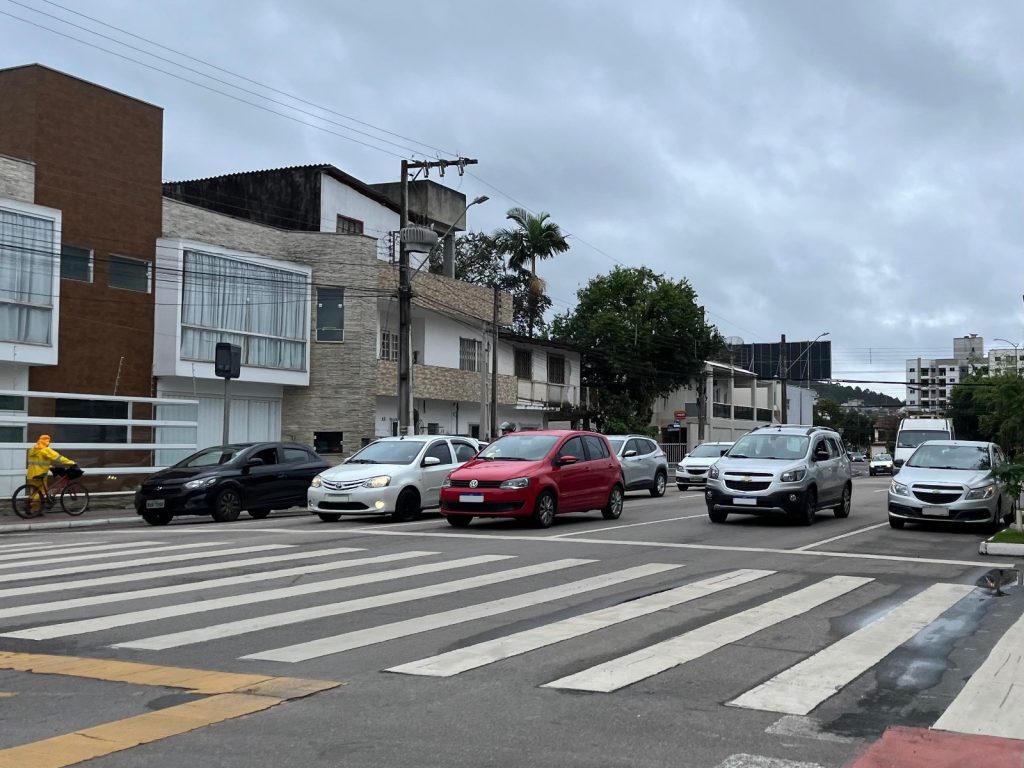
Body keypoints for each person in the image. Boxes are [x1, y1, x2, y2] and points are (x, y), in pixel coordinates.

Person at [26, 434, 76, 500]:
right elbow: (58, 457)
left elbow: (38, 462)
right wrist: (71, 462)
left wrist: (50, 466)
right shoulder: (45, 450)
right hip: (40, 473)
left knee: (34, 492)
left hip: (31, 474)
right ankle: (34, 508)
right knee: (40, 493)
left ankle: (31, 508)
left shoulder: (32, 450)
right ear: (46, 442)